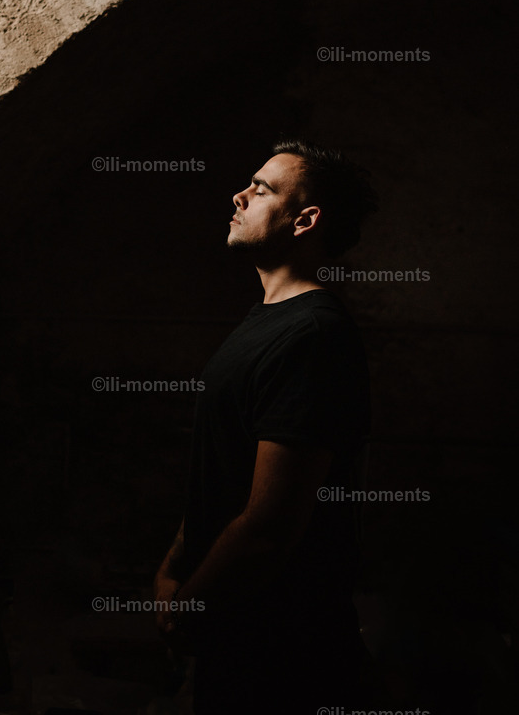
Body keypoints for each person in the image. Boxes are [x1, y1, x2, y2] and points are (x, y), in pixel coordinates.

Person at [152, 138, 378, 713]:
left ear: (305, 221)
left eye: (263, 188)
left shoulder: (314, 336)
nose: (240, 194)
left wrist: (190, 607)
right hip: (235, 634)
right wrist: (173, 566)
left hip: (284, 654)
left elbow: (270, 522)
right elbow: (223, 471)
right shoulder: (265, 322)